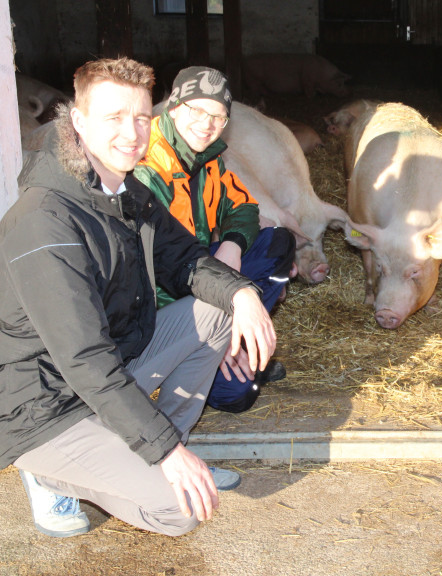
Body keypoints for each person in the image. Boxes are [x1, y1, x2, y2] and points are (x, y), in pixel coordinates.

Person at [0, 57, 276, 538]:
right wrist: (163, 452)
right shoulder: (46, 220)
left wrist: (243, 295)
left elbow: (186, 259)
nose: (132, 133)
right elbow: (83, 358)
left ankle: (159, 449)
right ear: (78, 122)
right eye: (113, 118)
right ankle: (53, 472)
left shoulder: (125, 190)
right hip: (44, 404)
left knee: (217, 310)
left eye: (142, 117)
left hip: (107, 370)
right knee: (180, 512)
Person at [134, 66, 295, 414]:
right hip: (159, 301)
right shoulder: (146, 168)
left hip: (202, 271)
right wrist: (215, 324)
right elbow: (158, 269)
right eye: (198, 111)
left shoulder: (207, 160)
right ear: (173, 107)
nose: (208, 124)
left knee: (278, 242)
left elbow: (245, 208)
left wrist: (231, 246)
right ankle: (215, 346)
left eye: (219, 117)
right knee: (236, 395)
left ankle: (241, 339)